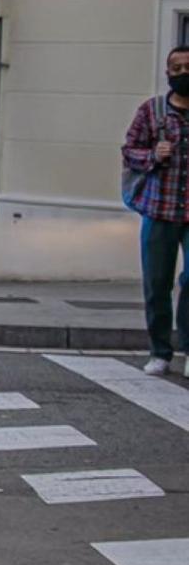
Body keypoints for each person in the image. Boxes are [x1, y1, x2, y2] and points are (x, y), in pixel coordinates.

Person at [121, 45, 189, 377]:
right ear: (167, 73)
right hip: (159, 210)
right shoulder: (153, 111)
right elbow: (129, 150)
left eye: (187, 67)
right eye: (176, 68)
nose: (182, 73)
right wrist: (152, 155)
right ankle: (160, 351)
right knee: (157, 283)